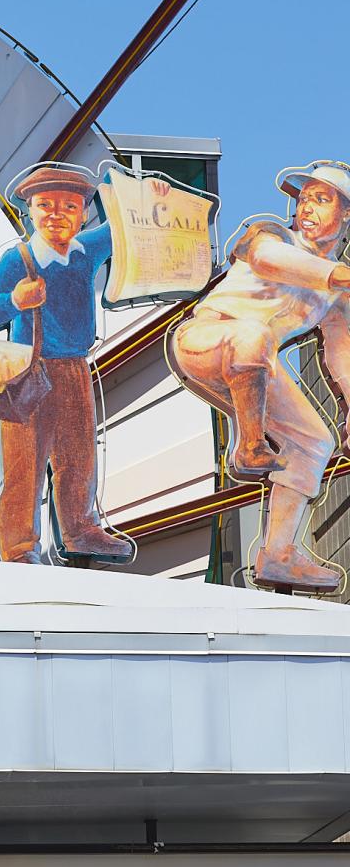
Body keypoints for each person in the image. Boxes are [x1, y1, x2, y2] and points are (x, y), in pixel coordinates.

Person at [171, 161, 350, 592]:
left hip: (256, 366)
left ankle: (278, 555)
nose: (306, 207)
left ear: (346, 215)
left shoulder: (337, 292)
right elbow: (271, 262)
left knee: (314, 441)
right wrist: (338, 275)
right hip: (205, 340)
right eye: (304, 198)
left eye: (321, 200)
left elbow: (342, 354)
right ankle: (250, 446)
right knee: (254, 334)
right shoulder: (270, 234)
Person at [0, 163, 133, 565]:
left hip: (74, 369)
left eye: (69, 206)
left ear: (83, 213)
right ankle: (18, 547)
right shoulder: (19, 259)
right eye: (45, 204)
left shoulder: (86, 252)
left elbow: (122, 223)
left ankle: (81, 530)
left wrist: (140, 191)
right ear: (30, 210)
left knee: (78, 456)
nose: (56, 214)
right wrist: (15, 301)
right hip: (27, 370)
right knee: (24, 462)